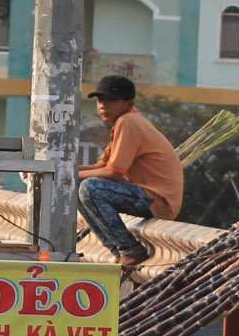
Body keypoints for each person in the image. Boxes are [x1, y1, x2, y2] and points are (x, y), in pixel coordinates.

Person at [76, 74, 182, 270]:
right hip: (147, 195)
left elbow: (113, 174)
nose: (103, 105)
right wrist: (62, 169)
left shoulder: (128, 122)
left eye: (111, 100)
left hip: (158, 199)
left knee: (90, 188)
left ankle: (129, 249)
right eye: (100, 100)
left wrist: (68, 176)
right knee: (78, 186)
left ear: (128, 103)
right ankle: (119, 251)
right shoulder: (122, 123)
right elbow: (101, 167)